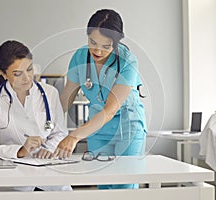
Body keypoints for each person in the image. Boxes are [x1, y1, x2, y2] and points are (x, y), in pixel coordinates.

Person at [54, 9, 147, 189]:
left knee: (124, 187)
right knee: (103, 185)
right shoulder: (80, 57)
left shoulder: (127, 61)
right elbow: (66, 98)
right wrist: (47, 126)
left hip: (128, 126)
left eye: (106, 46)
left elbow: (110, 110)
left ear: (116, 42)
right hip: (97, 129)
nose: (97, 50)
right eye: (93, 42)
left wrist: (74, 137)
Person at [0, 40, 71, 192]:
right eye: (18, 73)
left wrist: (49, 149)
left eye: (30, 69)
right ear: (3, 74)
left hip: (48, 175)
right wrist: (19, 151)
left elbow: (60, 133)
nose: (27, 78)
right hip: (12, 179)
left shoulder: (50, 93)